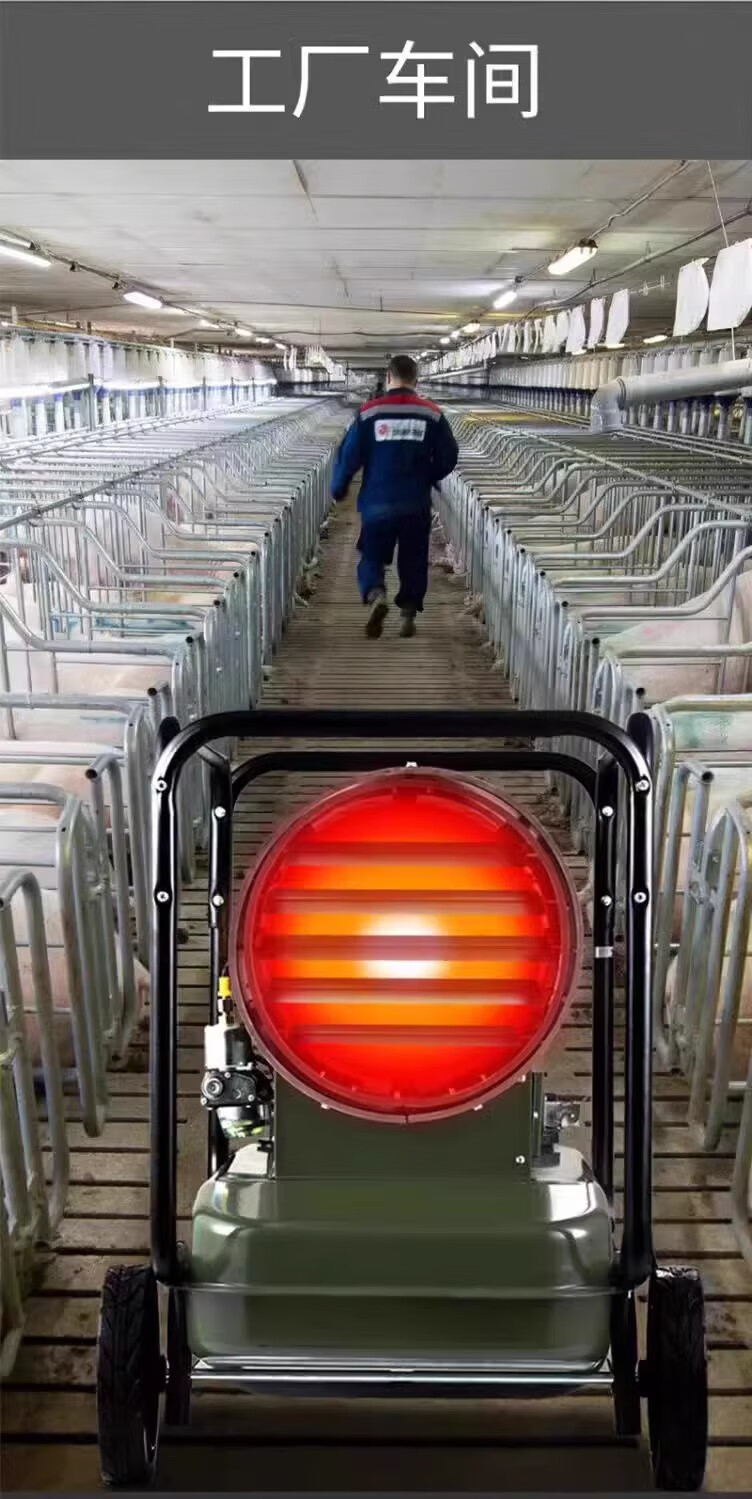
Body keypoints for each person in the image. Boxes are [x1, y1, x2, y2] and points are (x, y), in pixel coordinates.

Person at [330, 354, 459, 638]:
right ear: (416, 380)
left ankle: (376, 593)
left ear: (389, 377)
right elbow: (449, 456)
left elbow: (349, 455)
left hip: (377, 502)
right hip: (416, 502)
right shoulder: (432, 414)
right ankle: (408, 612)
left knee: (372, 555)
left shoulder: (369, 413)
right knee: (414, 558)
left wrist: (339, 488)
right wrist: (429, 474)